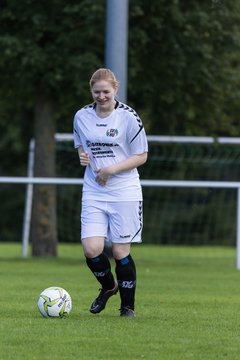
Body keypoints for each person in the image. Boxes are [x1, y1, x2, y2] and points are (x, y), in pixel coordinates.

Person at [73, 68, 148, 317]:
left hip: (124, 191)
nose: (102, 96)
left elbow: (141, 155)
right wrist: (82, 156)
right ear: (91, 91)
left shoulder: (128, 117)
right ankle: (108, 287)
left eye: (106, 91)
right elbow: (82, 147)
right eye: (97, 92)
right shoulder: (81, 116)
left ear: (115, 90)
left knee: (119, 251)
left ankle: (127, 308)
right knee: (92, 249)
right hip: (94, 190)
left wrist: (111, 170)